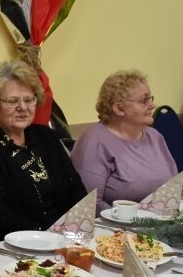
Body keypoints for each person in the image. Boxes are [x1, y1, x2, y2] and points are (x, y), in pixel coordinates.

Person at [0, 61, 87, 244]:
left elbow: (76, 191)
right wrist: (48, 236)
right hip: (15, 247)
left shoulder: (46, 137)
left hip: (65, 241)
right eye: (13, 101)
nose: (23, 107)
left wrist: (74, 231)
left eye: (29, 100)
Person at [70, 70, 177, 212]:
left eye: (150, 99)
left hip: (162, 222)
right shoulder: (95, 142)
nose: (152, 105)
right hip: (116, 229)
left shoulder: (155, 137)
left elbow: (175, 188)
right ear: (119, 108)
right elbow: (89, 204)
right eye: (144, 101)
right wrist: (134, 221)